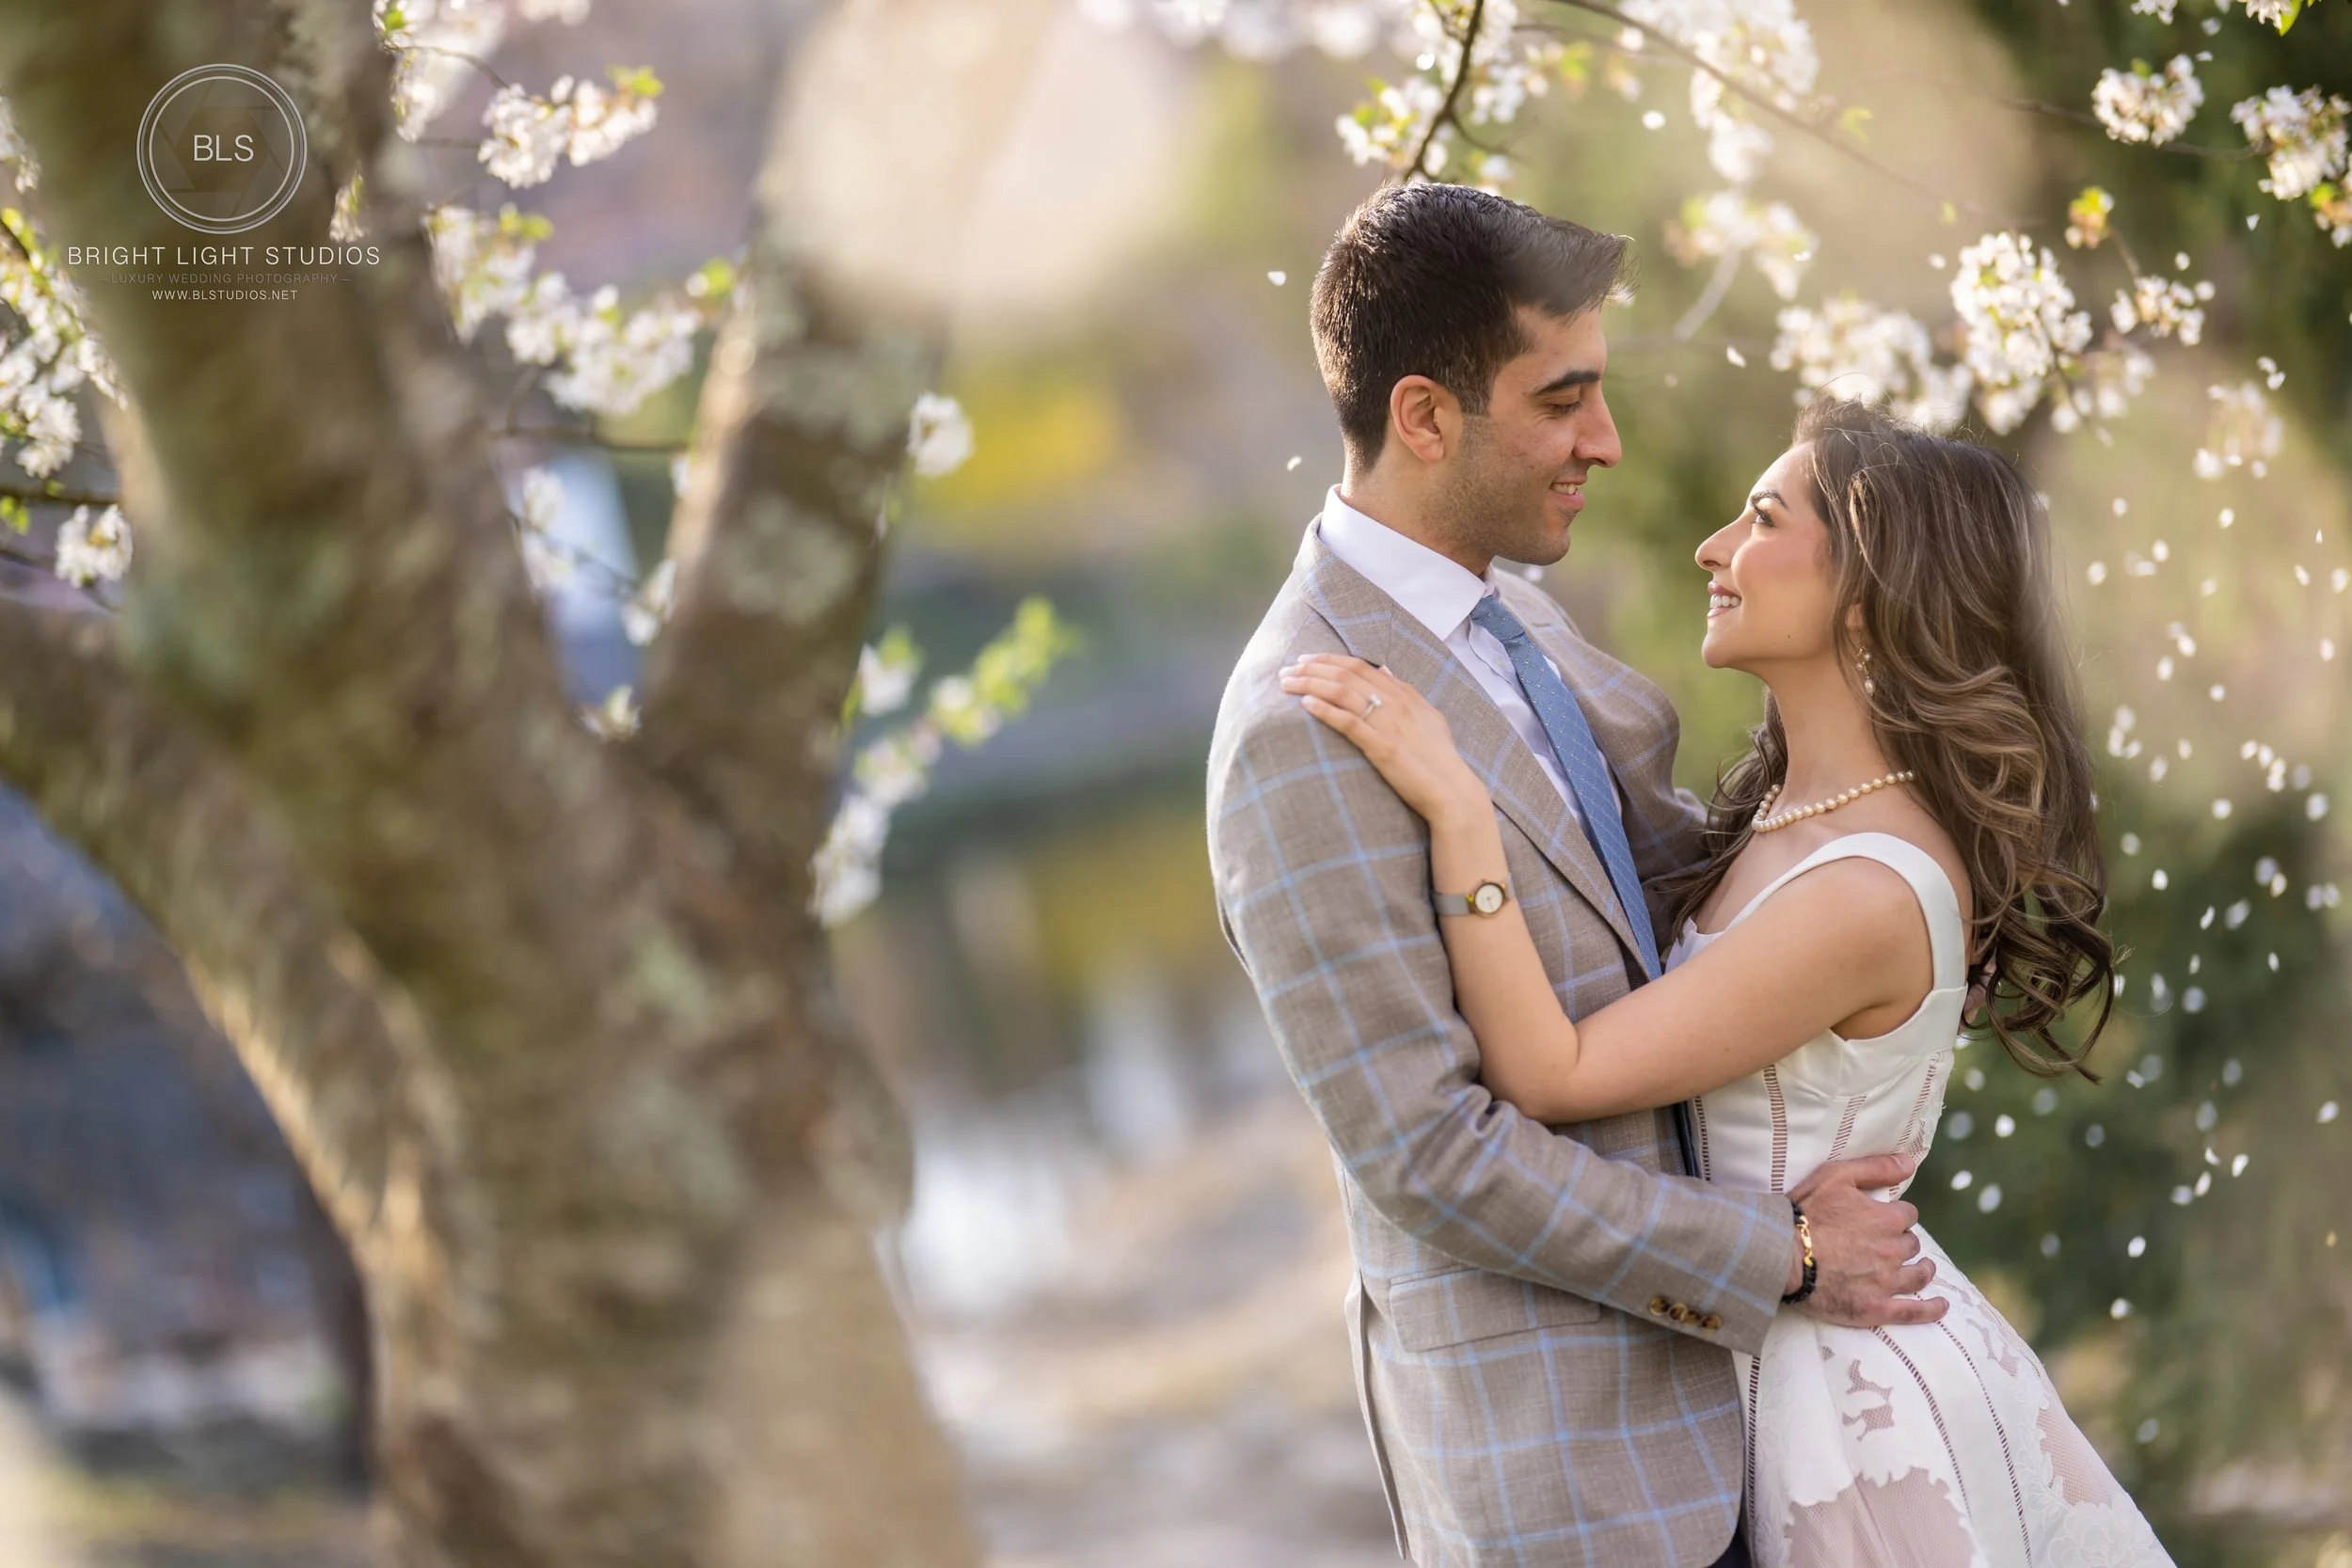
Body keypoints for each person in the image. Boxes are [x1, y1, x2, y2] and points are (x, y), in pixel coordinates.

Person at [1281, 381, 2180, 1563]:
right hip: (1754, 1366)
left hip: (1847, 1412)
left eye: (1762, 518)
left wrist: (1459, 810)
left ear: (1866, 594)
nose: (1716, 546)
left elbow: (1551, 1070)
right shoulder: (1779, 815)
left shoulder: (1865, 892)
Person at [1207, 182, 1941, 1568]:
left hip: (1776, 1424)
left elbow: (1695, 904)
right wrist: (1775, 1250)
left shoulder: (1515, 621)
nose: (1604, 442)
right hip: (1583, 1489)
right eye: (1563, 400)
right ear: (1426, 416)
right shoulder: (1298, 734)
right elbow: (1432, 1152)